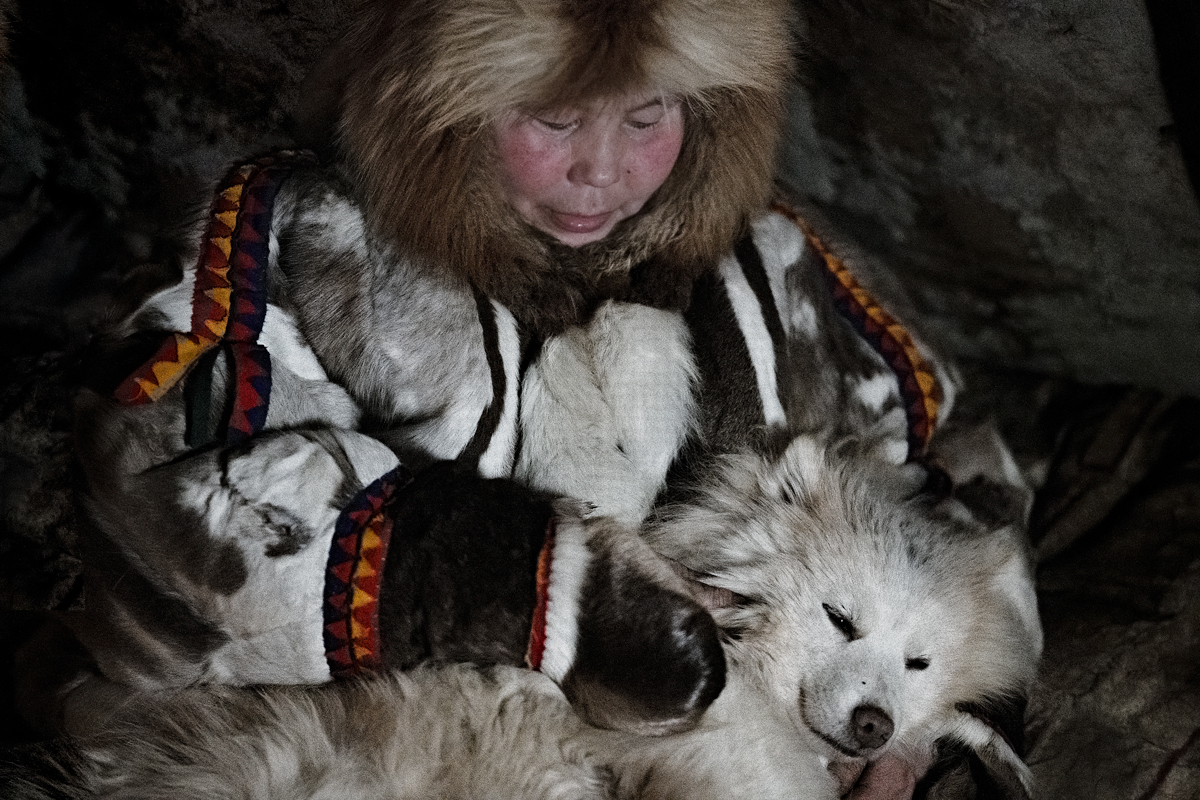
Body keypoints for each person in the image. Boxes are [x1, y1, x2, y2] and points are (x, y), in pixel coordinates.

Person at [46, 1, 1036, 798]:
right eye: (551, 118)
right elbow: (172, 527)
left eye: (648, 117)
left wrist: (915, 727)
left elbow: (955, 489)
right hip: (341, 738)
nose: (602, 171)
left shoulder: (770, 264)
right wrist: (555, 590)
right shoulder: (299, 238)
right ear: (441, 107)